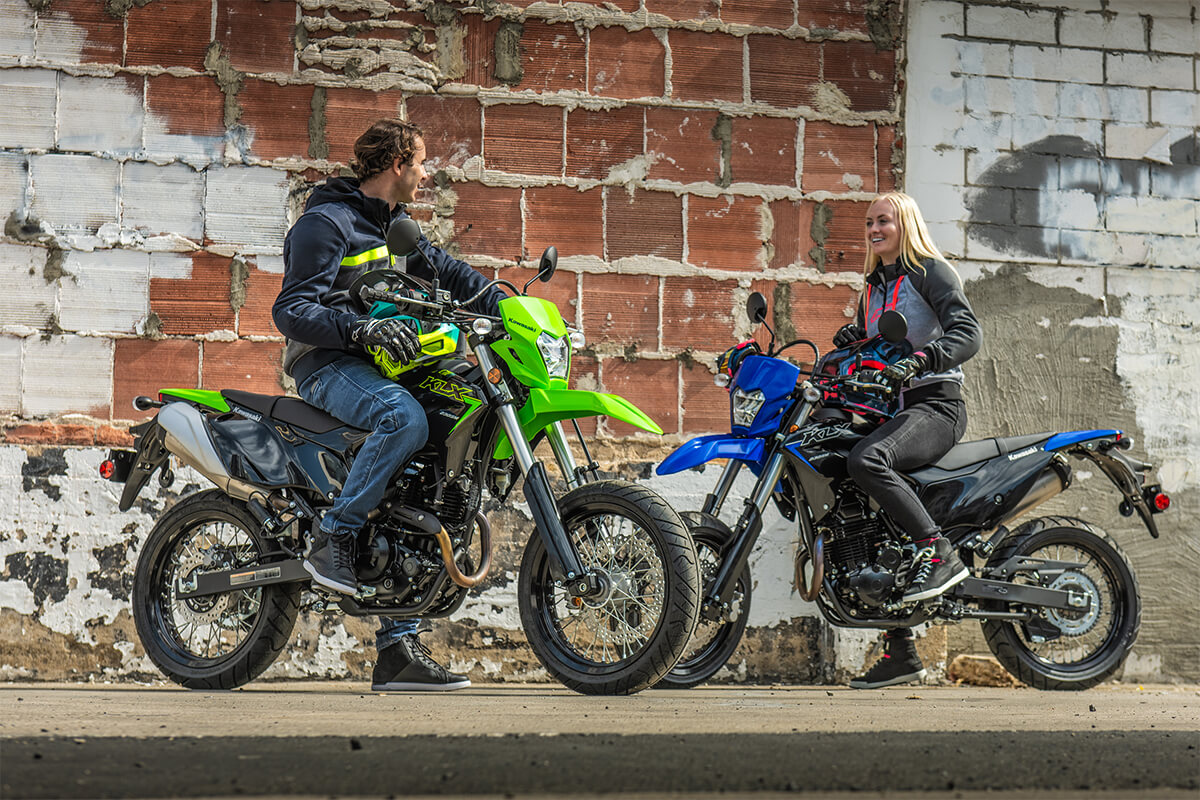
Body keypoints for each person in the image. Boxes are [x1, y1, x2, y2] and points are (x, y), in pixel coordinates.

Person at [273, 118, 505, 691]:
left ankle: (397, 648)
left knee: (444, 438)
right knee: (402, 418)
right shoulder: (325, 224)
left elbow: (447, 272)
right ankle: (335, 536)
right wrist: (360, 332)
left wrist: (506, 305)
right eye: (421, 163)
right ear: (398, 164)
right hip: (327, 362)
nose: (426, 174)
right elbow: (290, 310)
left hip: (385, 361)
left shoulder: (396, 224)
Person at [831, 191, 983, 690]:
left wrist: (924, 358)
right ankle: (901, 652)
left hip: (935, 404)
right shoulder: (873, 288)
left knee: (867, 460)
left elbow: (968, 332)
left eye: (885, 221)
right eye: (870, 222)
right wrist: (851, 341)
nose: (875, 229)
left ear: (906, 225)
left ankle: (940, 554)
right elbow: (878, 342)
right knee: (858, 505)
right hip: (891, 409)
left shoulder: (931, 272)